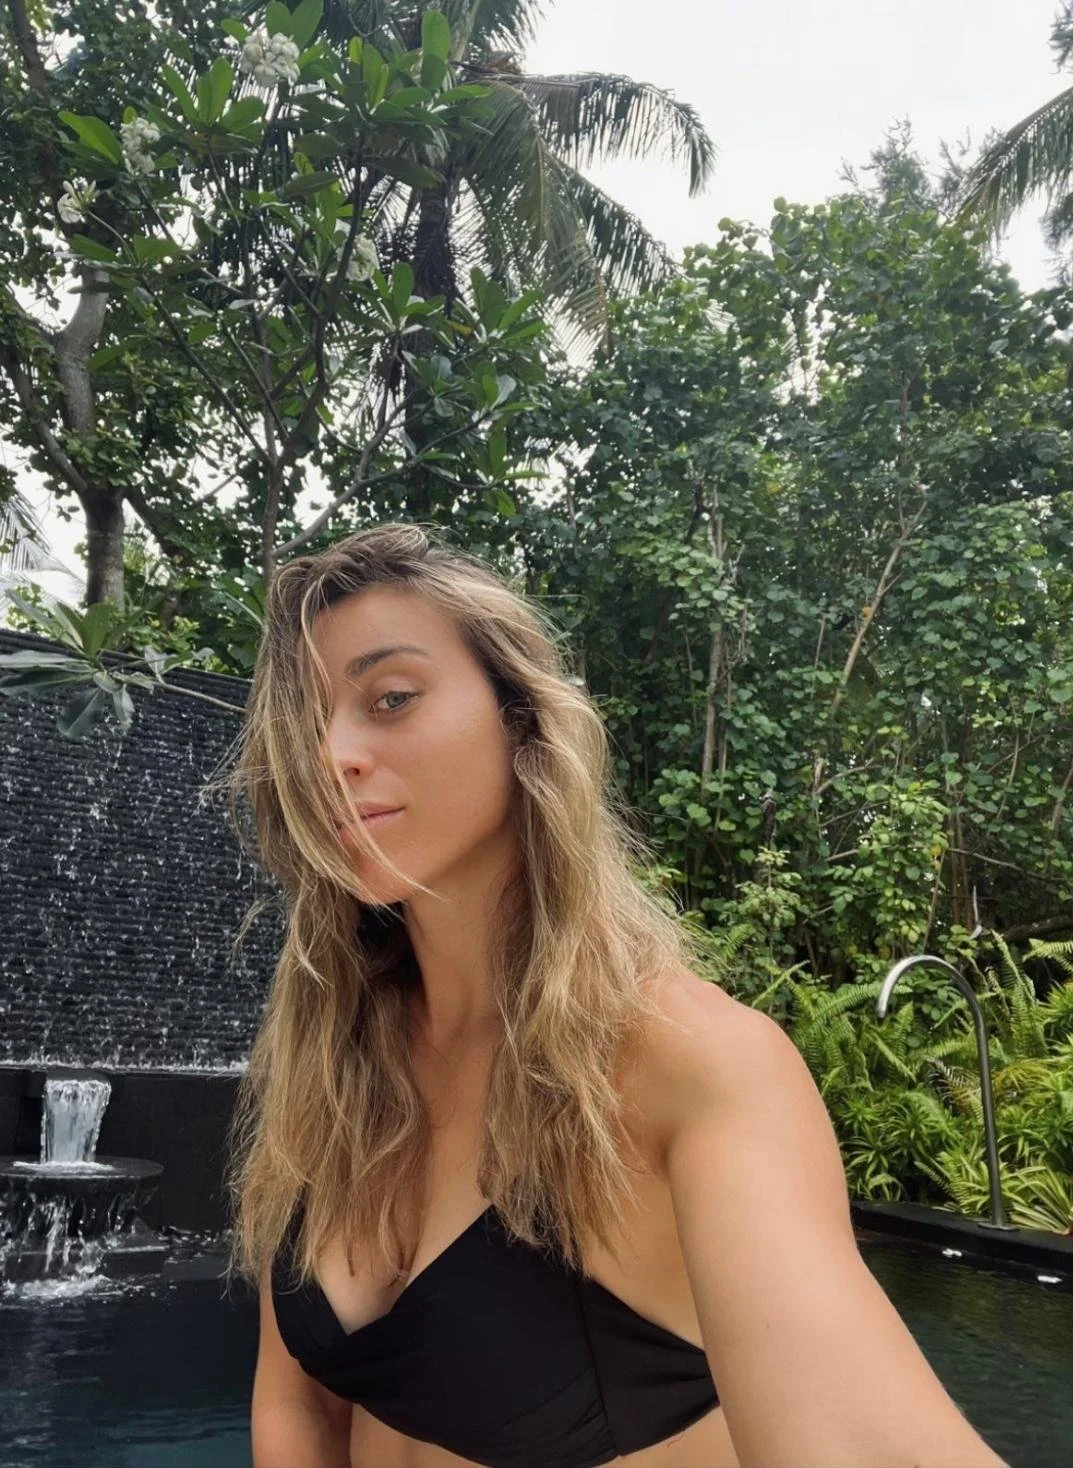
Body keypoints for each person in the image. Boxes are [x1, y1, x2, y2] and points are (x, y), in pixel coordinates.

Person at [229, 523, 1007, 1468]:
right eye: (303, 725)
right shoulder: (332, 1060)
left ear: (522, 720)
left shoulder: (689, 1065)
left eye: (389, 699)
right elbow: (298, 1409)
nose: (330, 757)